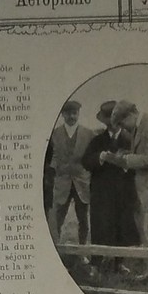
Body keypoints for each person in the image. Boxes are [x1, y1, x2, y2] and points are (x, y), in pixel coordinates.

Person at [104, 100, 148, 283]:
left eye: (122, 123)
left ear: (131, 115)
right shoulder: (140, 126)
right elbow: (144, 152)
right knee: (147, 232)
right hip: (145, 187)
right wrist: (122, 156)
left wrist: (126, 159)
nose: (123, 128)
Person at [82, 100, 140, 266]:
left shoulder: (130, 139)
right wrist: (100, 157)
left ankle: (118, 263)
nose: (113, 126)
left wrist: (125, 163)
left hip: (123, 191)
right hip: (101, 192)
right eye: (109, 123)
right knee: (100, 225)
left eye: (116, 123)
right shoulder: (97, 140)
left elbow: (141, 164)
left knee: (122, 225)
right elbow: (85, 161)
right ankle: (96, 261)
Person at [48, 99, 93, 245]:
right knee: (57, 217)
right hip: (62, 182)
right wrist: (53, 171)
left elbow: (91, 158)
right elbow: (52, 157)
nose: (72, 117)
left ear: (79, 113)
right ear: (62, 115)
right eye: (68, 114)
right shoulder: (54, 135)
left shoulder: (89, 134)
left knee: (83, 219)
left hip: (82, 182)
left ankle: (83, 251)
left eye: (75, 113)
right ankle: (56, 249)